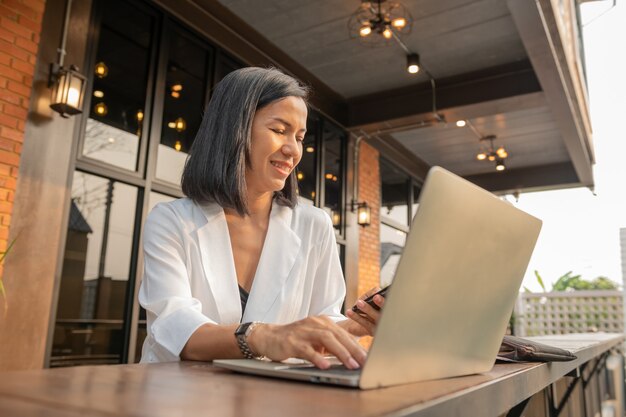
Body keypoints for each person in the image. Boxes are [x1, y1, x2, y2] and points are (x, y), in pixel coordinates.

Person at [138, 67, 384, 370]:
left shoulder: (314, 225)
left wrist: (355, 325)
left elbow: (321, 321)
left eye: (299, 136)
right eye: (279, 130)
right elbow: (175, 329)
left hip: (270, 400)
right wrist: (263, 336)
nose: (293, 149)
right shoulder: (172, 221)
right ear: (233, 130)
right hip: (177, 398)